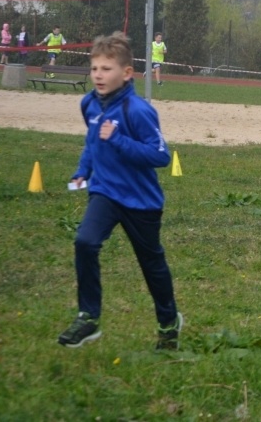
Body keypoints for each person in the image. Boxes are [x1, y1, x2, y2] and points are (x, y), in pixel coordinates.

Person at [58, 31, 182, 350]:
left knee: (152, 265)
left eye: (106, 69)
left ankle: (168, 324)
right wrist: (83, 171)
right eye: (95, 68)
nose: (98, 75)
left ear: (126, 73)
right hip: (105, 193)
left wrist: (119, 140)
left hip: (141, 202)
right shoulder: (89, 104)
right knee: (85, 242)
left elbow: (160, 155)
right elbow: (92, 141)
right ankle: (89, 317)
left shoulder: (138, 111)